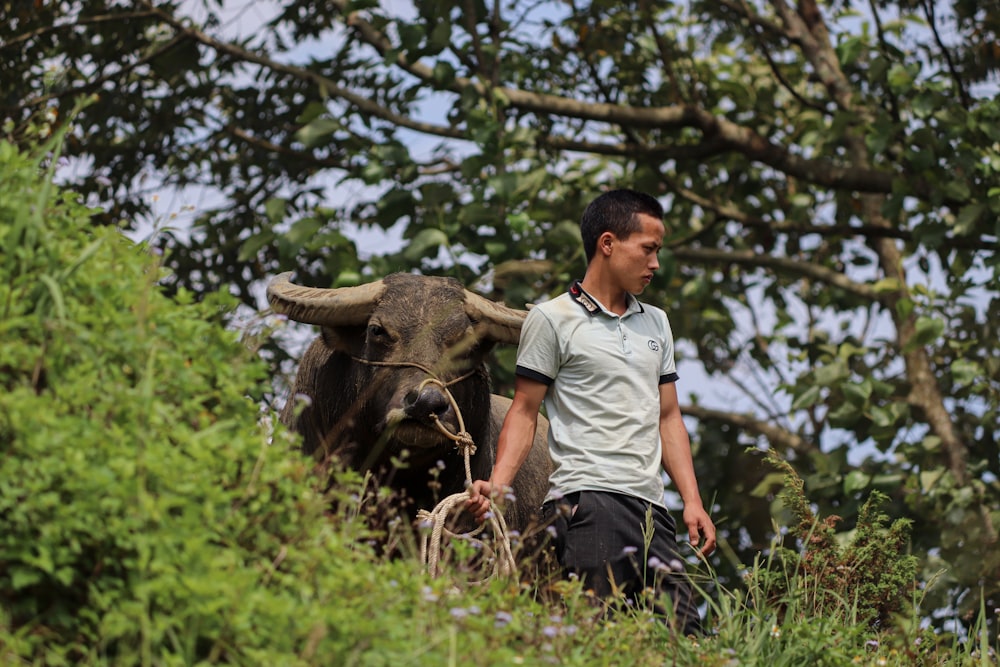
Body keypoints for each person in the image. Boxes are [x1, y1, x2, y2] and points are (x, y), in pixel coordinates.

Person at [467, 188, 716, 636]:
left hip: (652, 510)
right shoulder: (552, 318)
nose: (655, 264)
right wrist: (498, 485)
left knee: (687, 641)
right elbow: (524, 411)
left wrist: (692, 502)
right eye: (648, 249)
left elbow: (668, 418)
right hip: (587, 502)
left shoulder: (656, 322)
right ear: (607, 244)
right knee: (598, 638)